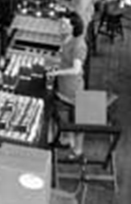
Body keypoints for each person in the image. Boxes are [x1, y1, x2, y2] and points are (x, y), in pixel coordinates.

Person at [48, 12, 88, 157]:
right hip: (63, 86)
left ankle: (77, 150)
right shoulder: (66, 38)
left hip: (72, 89)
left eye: (65, 24)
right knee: (65, 115)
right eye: (61, 23)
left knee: (77, 121)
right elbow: (63, 57)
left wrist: (56, 73)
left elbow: (76, 69)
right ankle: (66, 140)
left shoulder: (79, 45)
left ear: (74, 27)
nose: (61, 26)